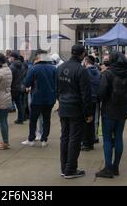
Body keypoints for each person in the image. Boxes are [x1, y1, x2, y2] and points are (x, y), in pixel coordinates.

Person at [96, 52, 127, 179]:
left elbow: (101, 93)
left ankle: (108, 168)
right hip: (123, 110)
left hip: (109, 110)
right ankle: (116, 166)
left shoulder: (107, 74)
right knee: (118, 137)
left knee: (107, 139)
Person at [57, 45, 93, 179]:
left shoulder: (60, 68)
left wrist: (61, 101)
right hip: (75, 108)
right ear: (83, 54)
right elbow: (86, 94)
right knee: (74, 139)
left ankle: (64, 168)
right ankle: (70, 169)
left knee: (65, 137)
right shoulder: (81, 70)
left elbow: (57, 89)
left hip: (64, 106)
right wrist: (88, 113)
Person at [22, 50, 57, 147]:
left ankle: (31, 139)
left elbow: (27, 83)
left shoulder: (34, 68)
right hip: (49, 98)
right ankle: (44, 139)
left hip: (37, 98)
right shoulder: (53, 69)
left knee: (33, 120)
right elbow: (56, 84)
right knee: (46, 119)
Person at [82, 55, 101, 151]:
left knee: (86, 121)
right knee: (94, 120)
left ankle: (86, 142)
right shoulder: (98, 72)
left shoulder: (84, 72)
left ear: (86, 62)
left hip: (87, 100)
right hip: (96, 99)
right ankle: (93, 139)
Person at [9, 51, 26, 124]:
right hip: (20, 87)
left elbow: (10, 78)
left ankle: (2, 121)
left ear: (13, 57)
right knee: (19, 104)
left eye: (10, 57)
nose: (9, 58)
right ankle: (21, 119)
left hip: (13, 88)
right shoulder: (22, 65)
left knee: (6, 105)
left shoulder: (12, 67)